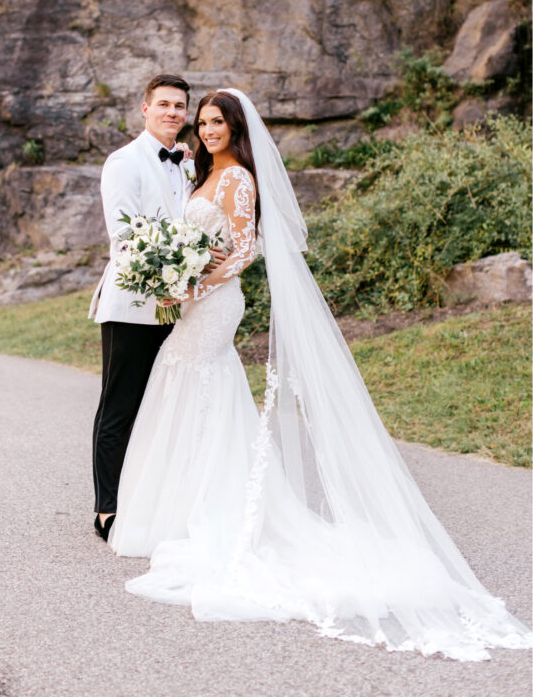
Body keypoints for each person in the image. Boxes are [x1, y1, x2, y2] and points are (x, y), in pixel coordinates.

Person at [108, 88, 533, 662]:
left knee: (201, 382)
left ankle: (212, 509)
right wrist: (175, 278)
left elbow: (240, 251)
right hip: (193, 302)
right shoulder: (201, 175)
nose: (206, 130)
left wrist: (189, 286)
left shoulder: (237, 181)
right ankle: (179, 505)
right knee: (184, 382)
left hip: (212, 302)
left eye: (216, 122)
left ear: (236, 128)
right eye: (202, 122)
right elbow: (197, 244)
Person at [89, 73, 196, 542]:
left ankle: (151, 502)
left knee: (164, 407)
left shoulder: (189, 164)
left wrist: (186, 284)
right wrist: (167, 280)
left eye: (180, 106)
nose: (173, 112)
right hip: (131, 304)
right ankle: (107, 510)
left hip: (179, 307)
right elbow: (124, 238)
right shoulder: (123, 161)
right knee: (121, 405)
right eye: (165, 104)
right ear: (145, 108)